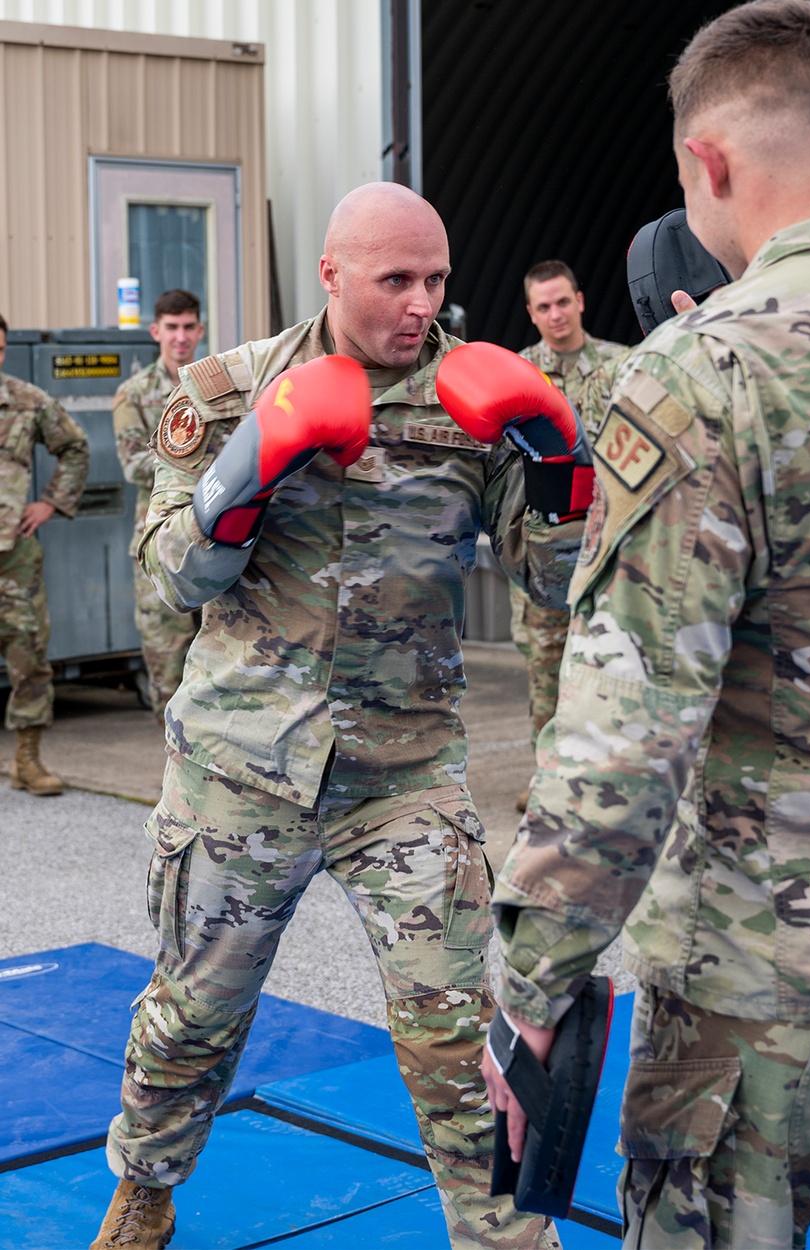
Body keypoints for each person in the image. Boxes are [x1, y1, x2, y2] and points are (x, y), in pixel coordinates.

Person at [483, 3, 810, 1248]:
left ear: (704, 168)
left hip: (760, 994)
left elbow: (625, 740)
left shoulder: (699, 372)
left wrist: (531, 984)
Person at [90, 182, 588, 1250]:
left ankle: (505, 1237)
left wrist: (558, 464)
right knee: (190, 1017)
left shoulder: (474, 395)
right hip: (242, 766)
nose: (421, 303)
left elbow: (554, 584)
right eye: (394, 280)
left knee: (459, 1038)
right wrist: (250, 463)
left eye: (437, 280)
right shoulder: (227, 389)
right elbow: (174, 574)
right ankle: (146, 1185)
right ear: (330, 275)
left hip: (402, 770)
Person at [511, 261, 627, 811]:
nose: (555, 315)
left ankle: (606, 779)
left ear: (580, 300)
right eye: (543, 306)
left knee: (614, 670)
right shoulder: (515, 375)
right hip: (547, 551)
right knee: (545, 673)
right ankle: (549, 783)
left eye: (563, 302)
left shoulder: (624, 366)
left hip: (609, 550)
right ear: (531, 313)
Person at [0, 313, 89, 796]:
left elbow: (75, 447)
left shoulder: (27, 401)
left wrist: (50, 502)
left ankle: (27, 760)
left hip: (14, 556)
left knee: (28, 654)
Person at [112, 290, 205, 720]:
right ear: (156, 332)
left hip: (215, 539)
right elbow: (133, 466)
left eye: (188, 327)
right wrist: (201, 457)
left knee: (219, 665)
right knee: (166, 668)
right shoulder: (132, 394)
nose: (180, 337)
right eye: (172, 328)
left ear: (199, 330)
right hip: (159, 544)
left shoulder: (219, 388)